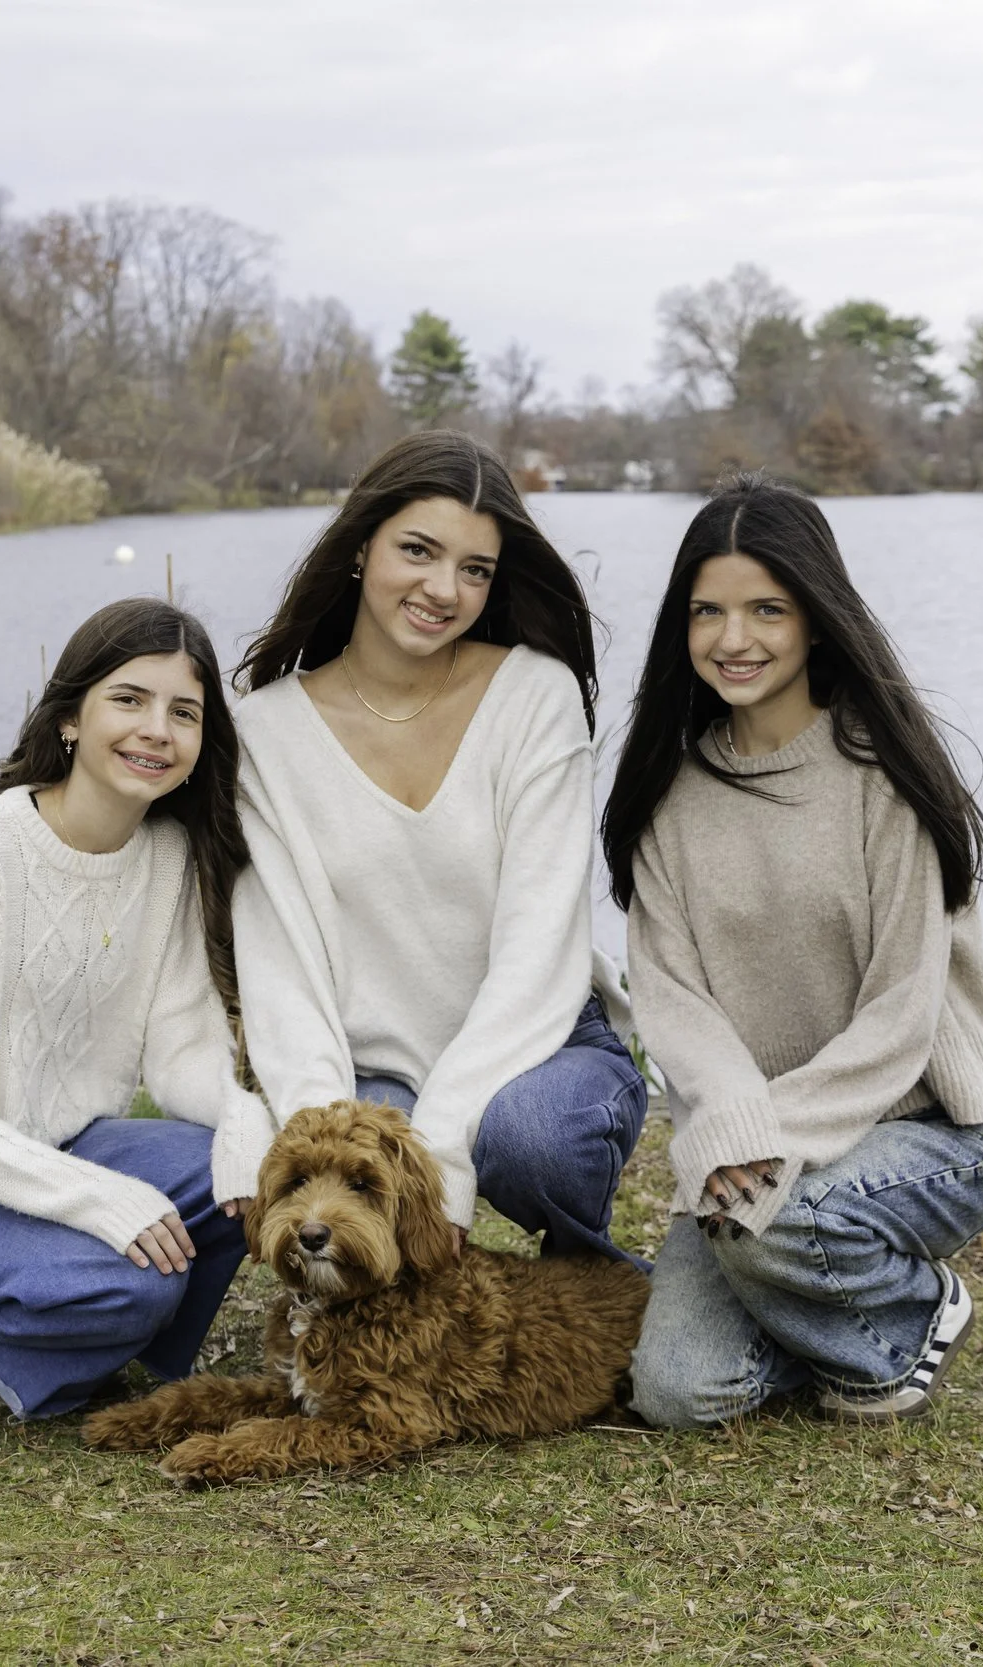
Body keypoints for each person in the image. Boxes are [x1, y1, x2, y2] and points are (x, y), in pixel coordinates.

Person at [604, 476, 983, 1426]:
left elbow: (900, 1017)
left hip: (932, 1129)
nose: (733, 638)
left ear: (818, 619)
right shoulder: (668, 795)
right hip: (758, 1140)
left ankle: (908, 1318)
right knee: (680, 1393)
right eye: (707, 610)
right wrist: (737, 1134)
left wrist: (762, 1142)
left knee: (777, 1224)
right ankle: (814, 1293)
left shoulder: (886, 774)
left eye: (766, 609)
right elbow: (673, 1000)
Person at [0, 598, 273, 1419]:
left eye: (184, 712)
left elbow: (180, 1052)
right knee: (136, 1284)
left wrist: (243, 1120)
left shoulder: (169, 855)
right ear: (71, 714)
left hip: (64, 1144)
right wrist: (95, 1199)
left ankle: (92, 1327)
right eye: (129, 700)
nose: (156, 731)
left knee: (241, 1180)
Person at [231, 430, 646, 1260]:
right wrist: (324, 1137)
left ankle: (587, 1276)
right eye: (417, 551)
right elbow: (284, 968)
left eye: (474, 570)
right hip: (369, 1073)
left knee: (530, 1137)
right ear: (359, 549)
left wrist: (442, 1149)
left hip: (541, 1047)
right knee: (348, 1175)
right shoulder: (266, 730)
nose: (443, 589)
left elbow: (539, 953)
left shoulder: (534, 695)